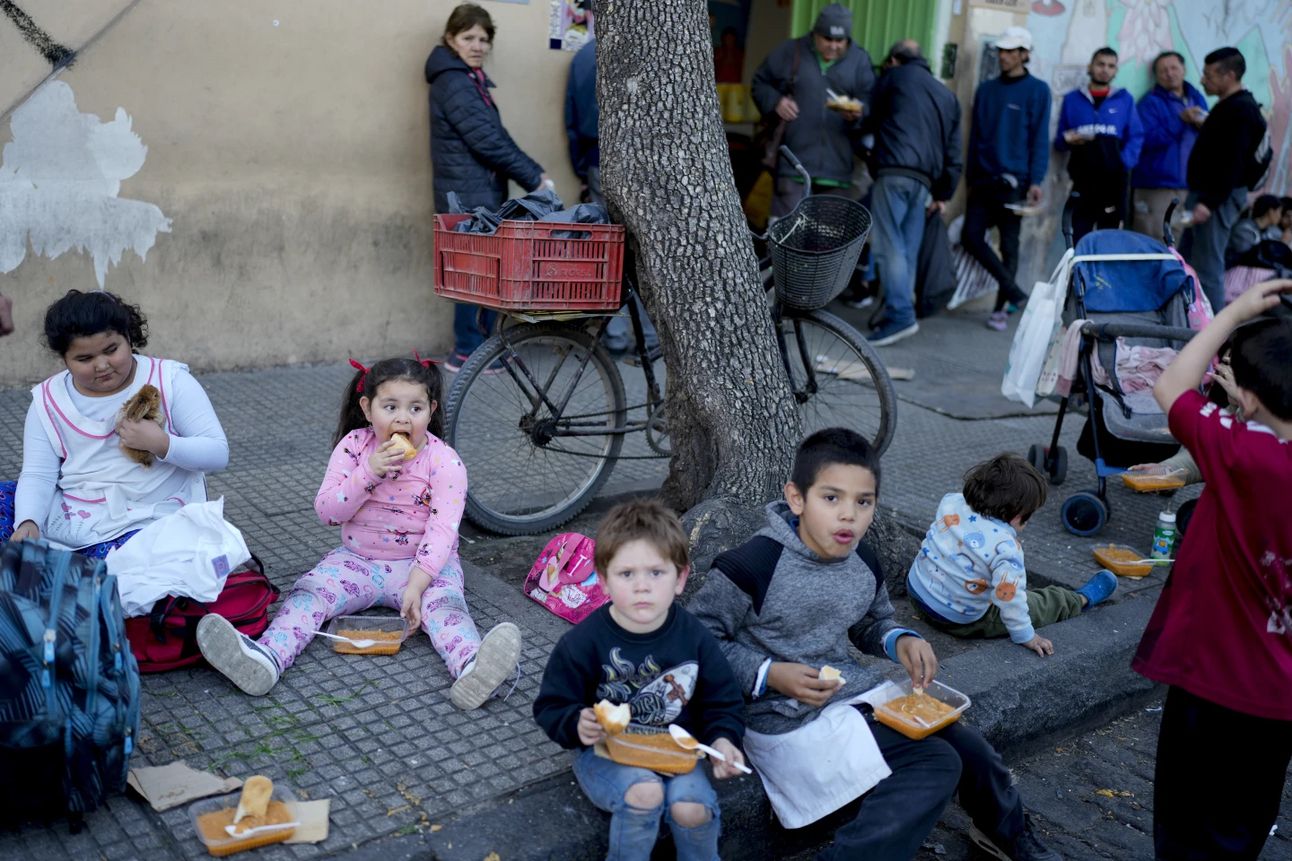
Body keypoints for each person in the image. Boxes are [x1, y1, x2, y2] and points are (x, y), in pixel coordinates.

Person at [688, 428, 1061, 861]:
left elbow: (872, 619)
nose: (848, 516)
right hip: (781, 718)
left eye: (862, 502)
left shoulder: (862, 559)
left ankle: (1004, 832)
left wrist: (898, 638)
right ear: (796, 498)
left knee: (968, 747)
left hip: (848, 696)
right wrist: (771, 673)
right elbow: (698, 642)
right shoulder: (754, 564)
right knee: (936, 765)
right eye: (832, 499)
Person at [197, 357, 522, 710]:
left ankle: (473, 667)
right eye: (390, 406)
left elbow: (442, 531)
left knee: (446, 609)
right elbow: (327, 512)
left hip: (424, 566)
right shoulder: (354, 448)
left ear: (431, 411)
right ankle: (266, 658)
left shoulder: (445, 462)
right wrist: (368, 473)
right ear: (367, 409)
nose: (402, 418)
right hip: (357, 561)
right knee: (309, 593)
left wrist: (417, 583)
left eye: (415, 408)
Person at [1132, 278, 1292, 859]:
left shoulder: (1243, 453)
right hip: (1281, 699)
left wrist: (1232, 314)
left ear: (1245, 398)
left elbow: (1171, 384)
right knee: (1243, 825)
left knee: (1185, 823)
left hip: (1214, 679)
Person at [533, 499, 747, 861]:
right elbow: (552, 705)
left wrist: (724, 741)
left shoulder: (693, 637)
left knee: (691, 807)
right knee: (645, 793)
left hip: (678, 753)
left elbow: (722, 700)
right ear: (603, 580)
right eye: (627, 574)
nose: (642, 587)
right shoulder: (583, 642)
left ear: (680, 578)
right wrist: (575, 723)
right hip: (607, 754)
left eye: (656, 573)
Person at [1, 290, 228, 557]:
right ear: (64, 358)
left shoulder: (169, 380)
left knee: (133, 564)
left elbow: (218, 453)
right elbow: (39, 474)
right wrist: (28, 522)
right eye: (84, 359)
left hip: (149, 518)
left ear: (129, 338)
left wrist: (161, 443)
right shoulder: (48, 400)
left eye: (111, 350)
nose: (102, 365)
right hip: (74, 516)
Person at [426, 3, 551, 372]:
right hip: (466, 195)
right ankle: (467, 351)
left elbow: (494, 136)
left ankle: (474, 347)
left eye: (484, 39)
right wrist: (535, 178)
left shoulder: (467, 80)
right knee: (472, 274)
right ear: (451, 39)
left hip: (474, 191)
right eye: (469, 38)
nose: (478, 45)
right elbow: (487, 141)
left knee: (477, 273)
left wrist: (533, 172)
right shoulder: (454, 82)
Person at [906, 453, 1117, 657]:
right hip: (957, 620)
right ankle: (1078, 599)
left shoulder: (951, 503)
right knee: (1036, 604)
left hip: (917, 592)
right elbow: (1010, 599)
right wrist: (1026, 635)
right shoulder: (1006, 549)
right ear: (1018, 517)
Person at [864, 40, 962, 347]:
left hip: (893, 171)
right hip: (924, 182)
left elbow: (869, 118)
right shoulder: (947, 95)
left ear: (893, 60)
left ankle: (900, 314)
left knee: (888, 245)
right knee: (905, 248)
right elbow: (954, 153)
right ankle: (901, 312)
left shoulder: (893, 78)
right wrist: (943, 194)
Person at [962, 26, 1051, 333]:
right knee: (970, 236)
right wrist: (969, 176)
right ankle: (1013, 291)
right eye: (1001, 50)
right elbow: (974, 137)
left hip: (1016, 182)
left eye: (1011, 51)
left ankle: (1001, 307)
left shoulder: (1038, 90)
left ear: (1025, 54)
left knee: (1009, 246)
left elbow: (1040, 139)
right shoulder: (985, 90)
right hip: (983, 179)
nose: (1003, 56)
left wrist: (1036, 180)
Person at [750, 3, 874, 220]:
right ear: (815, 34)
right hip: (793, 165)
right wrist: (776, 101)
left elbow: (871, 101)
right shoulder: (791, 51)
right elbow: (759, 83)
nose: (833, 46)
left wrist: (859, 112)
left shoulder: (860, 60)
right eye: (827, 39)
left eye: (840, 41)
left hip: (838, 169)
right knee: (786, 236)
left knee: (828, 244)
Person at [1180, 47, 1268, 311]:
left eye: (1208, 75)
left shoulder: (1241, 110)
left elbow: (1232, 162)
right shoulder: (1229, 106)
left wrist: (1209, 203)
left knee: (1207, 267)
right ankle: (1184, 319)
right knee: (1185, 258)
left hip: (1217, 199)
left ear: (1229, 75)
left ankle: (1212, 336)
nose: (1202, 80)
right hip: (1207, 195)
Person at [1054, 47, 1144, 242]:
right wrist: (1068, 139)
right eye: (1100, 64)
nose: (1105, 69)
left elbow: (1136, 136)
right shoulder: (1072, 99)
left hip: (1113, 184)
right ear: (1090, 66)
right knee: (1078, 240)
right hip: (1082, 182)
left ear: (1115, 71)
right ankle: (1078, 274)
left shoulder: (1124, 99)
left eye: (1111, 66)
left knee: (1109, 242)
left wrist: (1122, 163)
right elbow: (1060, 142)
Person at [1130, 51, 1209, 239]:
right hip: (1156, 186)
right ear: (1156, 76)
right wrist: (1179, 120)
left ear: (1184, 70)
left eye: (1174, 68)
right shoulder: (1150, 103)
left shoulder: (1196, 98)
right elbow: (1145, 140)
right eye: (1163, 71)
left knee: (1174, 243)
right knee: (1152, 240)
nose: (1170, 73)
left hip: (1186, 186)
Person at [1225, 193, 1284, 268]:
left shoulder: (1265, 232)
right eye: (1279, 212)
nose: (1280, 216)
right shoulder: (1245, 229)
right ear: (1271, 211)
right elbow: (1242, 257)